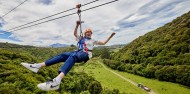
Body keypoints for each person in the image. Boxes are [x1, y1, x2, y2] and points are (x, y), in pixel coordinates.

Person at [21, 21, 116, 91]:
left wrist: (110, 36)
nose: (88, 33)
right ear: (85, 33)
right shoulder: (81, 38)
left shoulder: (93, 40)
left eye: (89, 32)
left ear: (91, 34)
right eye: (87, 32)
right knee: (63, 55)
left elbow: (103, 42)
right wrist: (77, 25)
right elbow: (74, 33)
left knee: (73, 57)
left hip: (86, 54)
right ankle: (37, 66)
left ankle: (57, 81)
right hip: (78, 52)